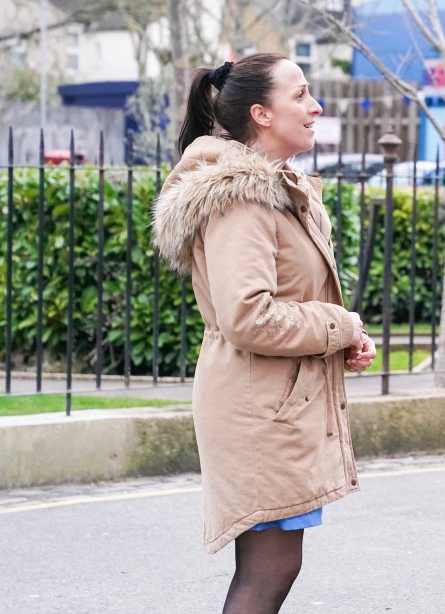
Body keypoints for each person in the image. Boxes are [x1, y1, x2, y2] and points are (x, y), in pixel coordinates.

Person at [152, 53, 376, 613]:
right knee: (269, 569)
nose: (315, 105)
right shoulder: (242, 196)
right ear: (261, 113)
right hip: (259, 408)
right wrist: (339, 323)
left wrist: (341, 335)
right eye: (300, 94)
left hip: (276, 402)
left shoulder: (274, 190)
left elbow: (289, 302)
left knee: (274, 565)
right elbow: (246, 314)